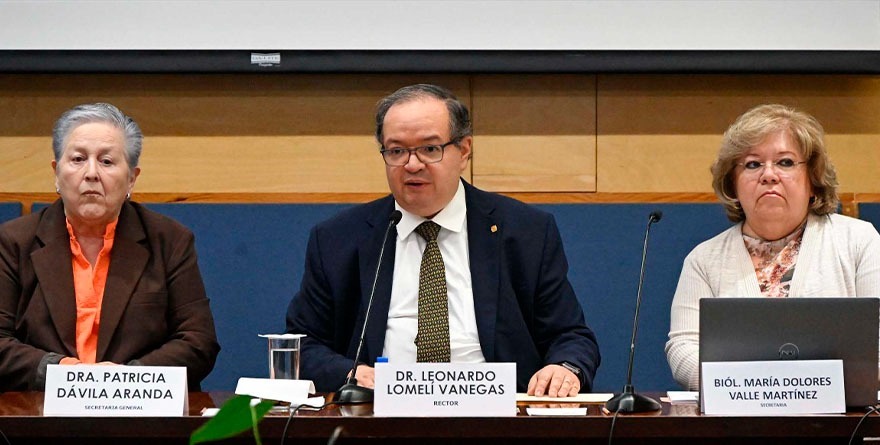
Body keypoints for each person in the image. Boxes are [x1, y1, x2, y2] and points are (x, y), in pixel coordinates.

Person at [287, 84, 599, 397]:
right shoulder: (339, 238)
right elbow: (303, 344)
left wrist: (565, 367)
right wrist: (351, 373)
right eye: (396, 151)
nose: (412, 164)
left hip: (497, 414)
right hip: (379, 411)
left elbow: (570, 336)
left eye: (429, 149)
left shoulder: (525, 231)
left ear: (464, 151)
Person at [0, 103, 220, 391]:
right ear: (56, 173)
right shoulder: (14, 242)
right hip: (39, 410)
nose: (91, 173)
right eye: (78, 159)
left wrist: (125, 380)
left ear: (131, 178)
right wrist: (64, 373)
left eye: (106, 161)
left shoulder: (170, 240)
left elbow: (198, 341)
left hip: (138, 410)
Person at [665, 104, 880, 390]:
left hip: (841, 414)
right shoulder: (704, 260)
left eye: (785, 162)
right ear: (733, 184)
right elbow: (683, 347)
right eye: (753, 164)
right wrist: (742, 386)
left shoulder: (859, 240)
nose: (769, 175)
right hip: (737, 412)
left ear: (813, 179)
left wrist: (814, 386)